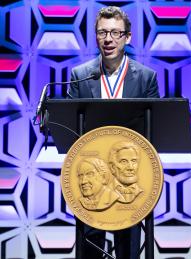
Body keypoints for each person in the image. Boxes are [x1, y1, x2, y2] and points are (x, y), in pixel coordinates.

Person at [68, 5, 160, 259]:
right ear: (96, 36)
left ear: (127, 37)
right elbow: (70, 129)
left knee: (128, 245)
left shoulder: (146, 78)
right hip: (90, 174)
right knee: (90, 246)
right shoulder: (80, 76)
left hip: (131, 175)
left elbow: (154, 131)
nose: (108, 39)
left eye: (115, 33)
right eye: (102, 33)